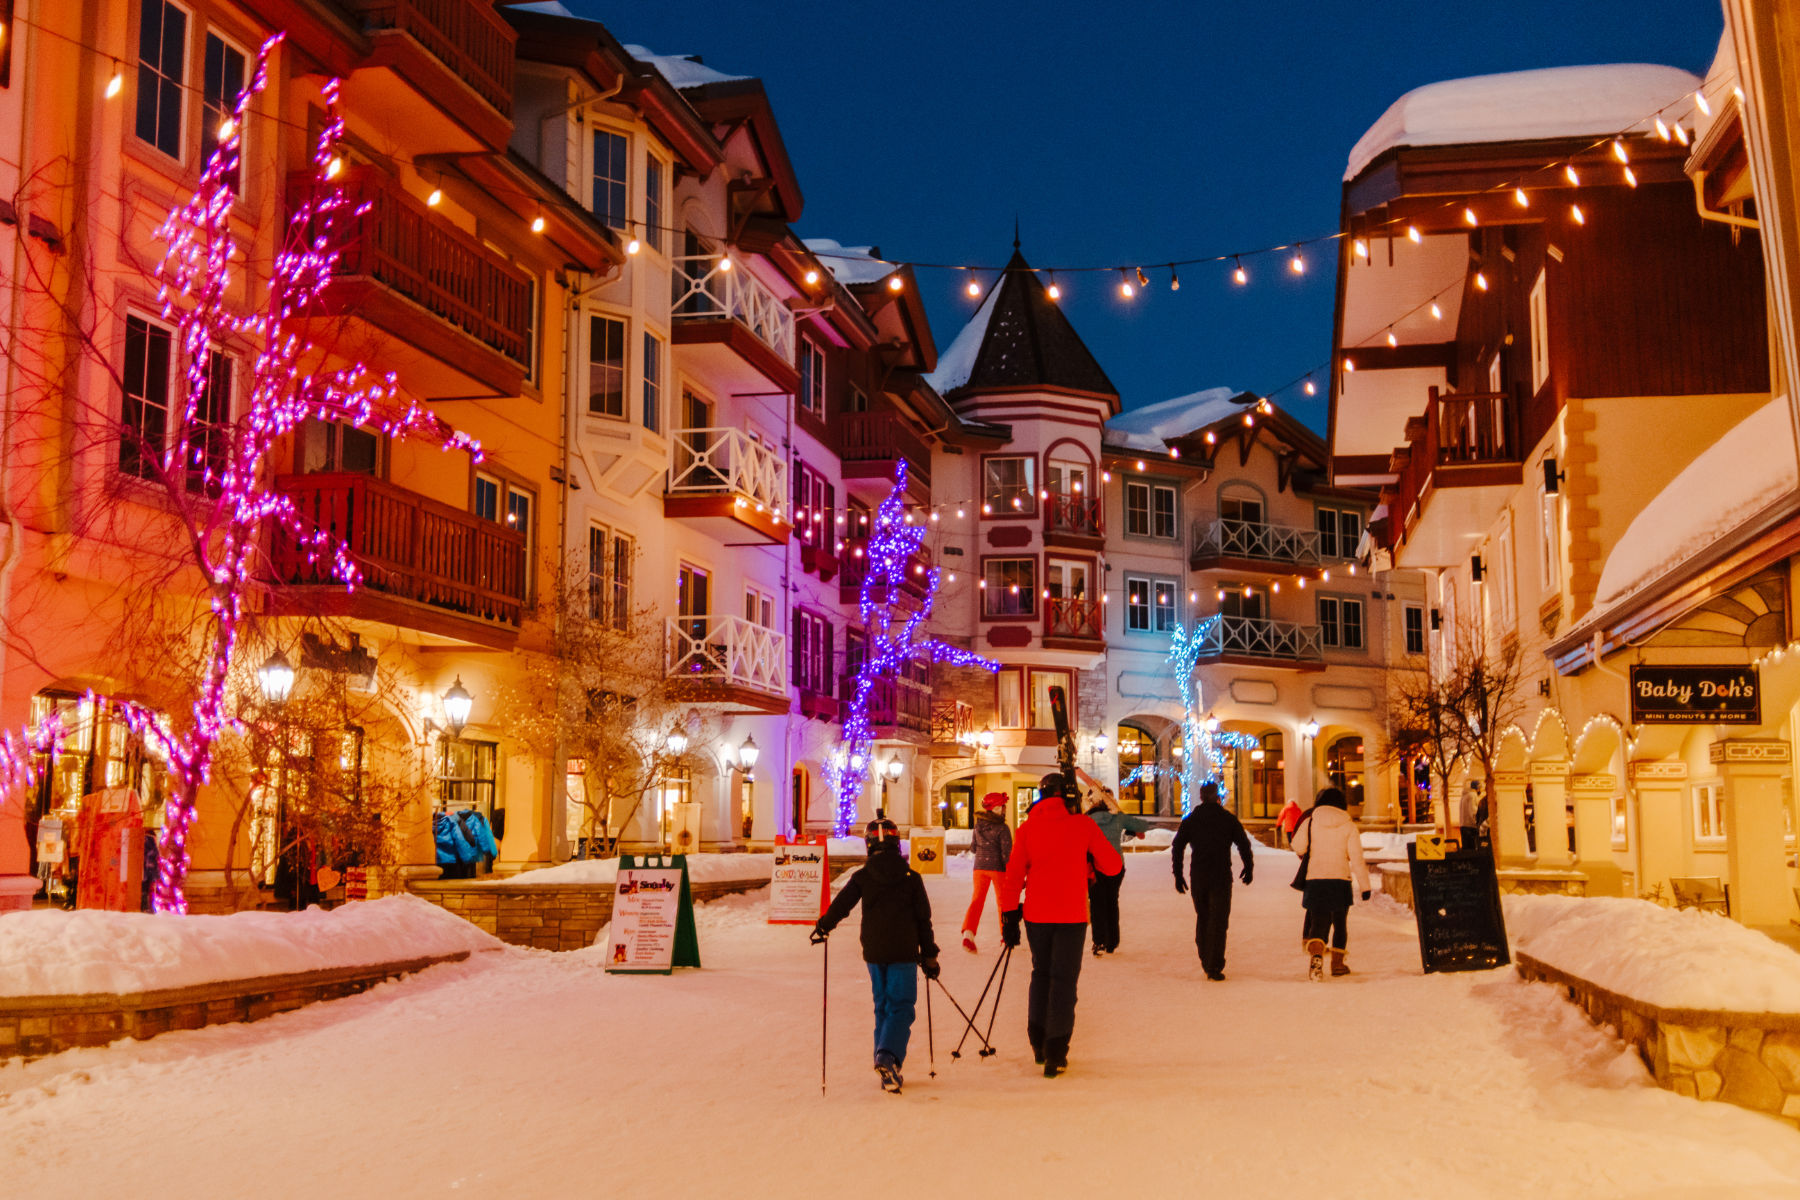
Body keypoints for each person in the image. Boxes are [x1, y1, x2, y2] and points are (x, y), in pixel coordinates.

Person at [997, 771, 1124, 1078]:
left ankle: (1038, 1042)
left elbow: (1013, 876)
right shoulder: (1083, 825)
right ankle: (1056, 1050)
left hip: (1036, 915)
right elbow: (1113, 866)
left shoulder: (1027, 829)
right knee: (1064, 981)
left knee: (1040, 973)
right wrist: (1089, 857)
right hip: (1071, 916)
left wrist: (1009, 916)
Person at [811, 816, 940, 1093]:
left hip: (874, 951)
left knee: (882, 1005)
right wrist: (929, 955)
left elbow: (842, 904)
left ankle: (886, 1065)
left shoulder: (864, 876)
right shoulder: (911, 878)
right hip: (903, 951)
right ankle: (888, 1057)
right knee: (901, 1006)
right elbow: (923, 920)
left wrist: (824, 926)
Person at [1169, 781, 1255, 980]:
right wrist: (1248, 867)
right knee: (1219, 920)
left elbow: (1177, 847)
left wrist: (1178, 874)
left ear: (1201, 797)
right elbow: (1243, 844)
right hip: (1220, 875)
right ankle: (1213, 964)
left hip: (1199, 875)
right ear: (1218, 797)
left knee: (1204, 916)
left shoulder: (1192, 820)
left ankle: (1206, 958)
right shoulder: (1227, 819)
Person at [1290, 787, 1370, 980]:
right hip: (1340, 881)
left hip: (1315, 880)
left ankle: (1316, 961)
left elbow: (1297, 846)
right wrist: (1365, 886)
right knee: (1340, 924)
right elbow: (1357, 858)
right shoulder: (1348, 825)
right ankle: (1337, 964)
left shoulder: (1310, 821)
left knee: (1318, 923)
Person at [1084, 786, 1149, 955]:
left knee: (1097, 903)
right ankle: (1112, 941)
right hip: (1116, 865)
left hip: (1095, 866)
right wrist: (1129, 823)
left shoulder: (1087, 819)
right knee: (1112, 901)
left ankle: (1099, 940)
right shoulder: (1118, 818)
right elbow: (1143, 825)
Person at [961, 792, 1012, 953]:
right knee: (1003, 902)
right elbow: (1006, 853)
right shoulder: (1002, 828)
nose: (1004, 809)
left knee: (977, 900)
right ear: (996, 808)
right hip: (997, 869)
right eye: (1002, 806)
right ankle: (1006, 936)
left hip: (979, 868)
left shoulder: (978, 826)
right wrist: (1011, 870)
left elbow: (973, 848)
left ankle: (968, 934)